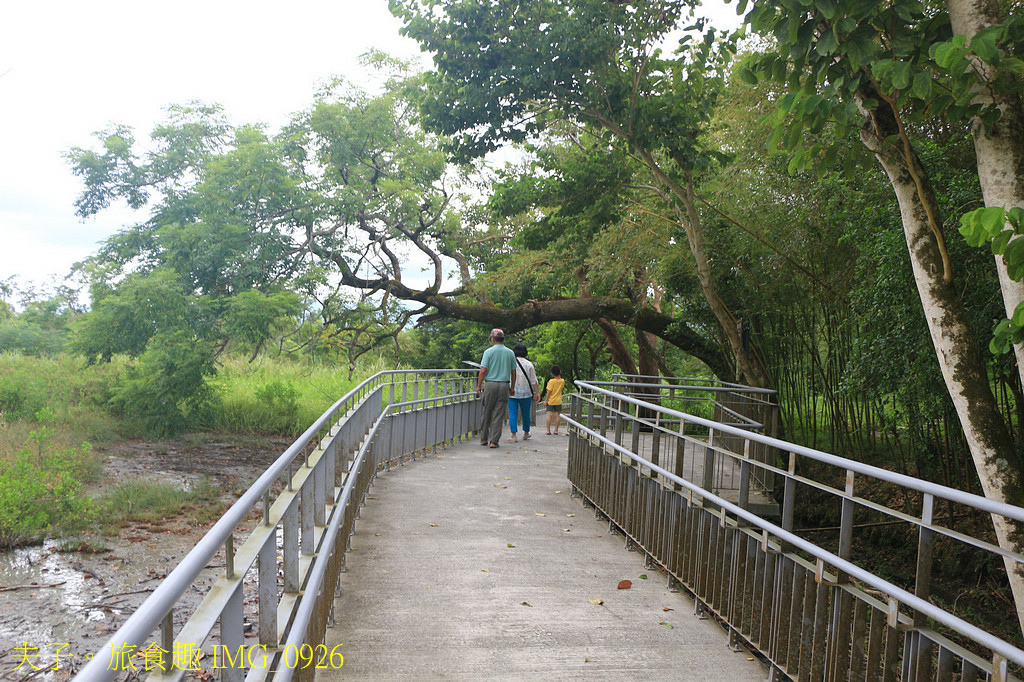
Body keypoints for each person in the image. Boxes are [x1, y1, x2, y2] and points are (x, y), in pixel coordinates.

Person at [475, 329, 516, 448]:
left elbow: (483, 370)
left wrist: (478, 385)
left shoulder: (488, 352)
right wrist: (512, 388)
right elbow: (513, 372)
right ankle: (494, 441)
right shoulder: (510, 353)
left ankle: (483, 438)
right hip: (504, 385)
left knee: (487, 411)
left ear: (493, 339)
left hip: (490, 384)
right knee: (499, 413)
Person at [506, 343, 541, 443]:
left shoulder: (510, 363)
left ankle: (513, 435)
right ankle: (526, 433)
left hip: (512, 392)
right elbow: (534, 380)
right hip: (526, 393)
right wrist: (537, 392)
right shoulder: (529, 364)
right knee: (526, 413)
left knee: (512, 413)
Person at [541, 365, 565, 435]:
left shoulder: (551, 381)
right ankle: (556, 430)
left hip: (551, 400)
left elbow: (549, 392)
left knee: (549, 414)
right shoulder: (562, 381)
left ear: (552, 373)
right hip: (558, 400)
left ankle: (548, 431)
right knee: (557, 415)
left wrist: (546, 401)